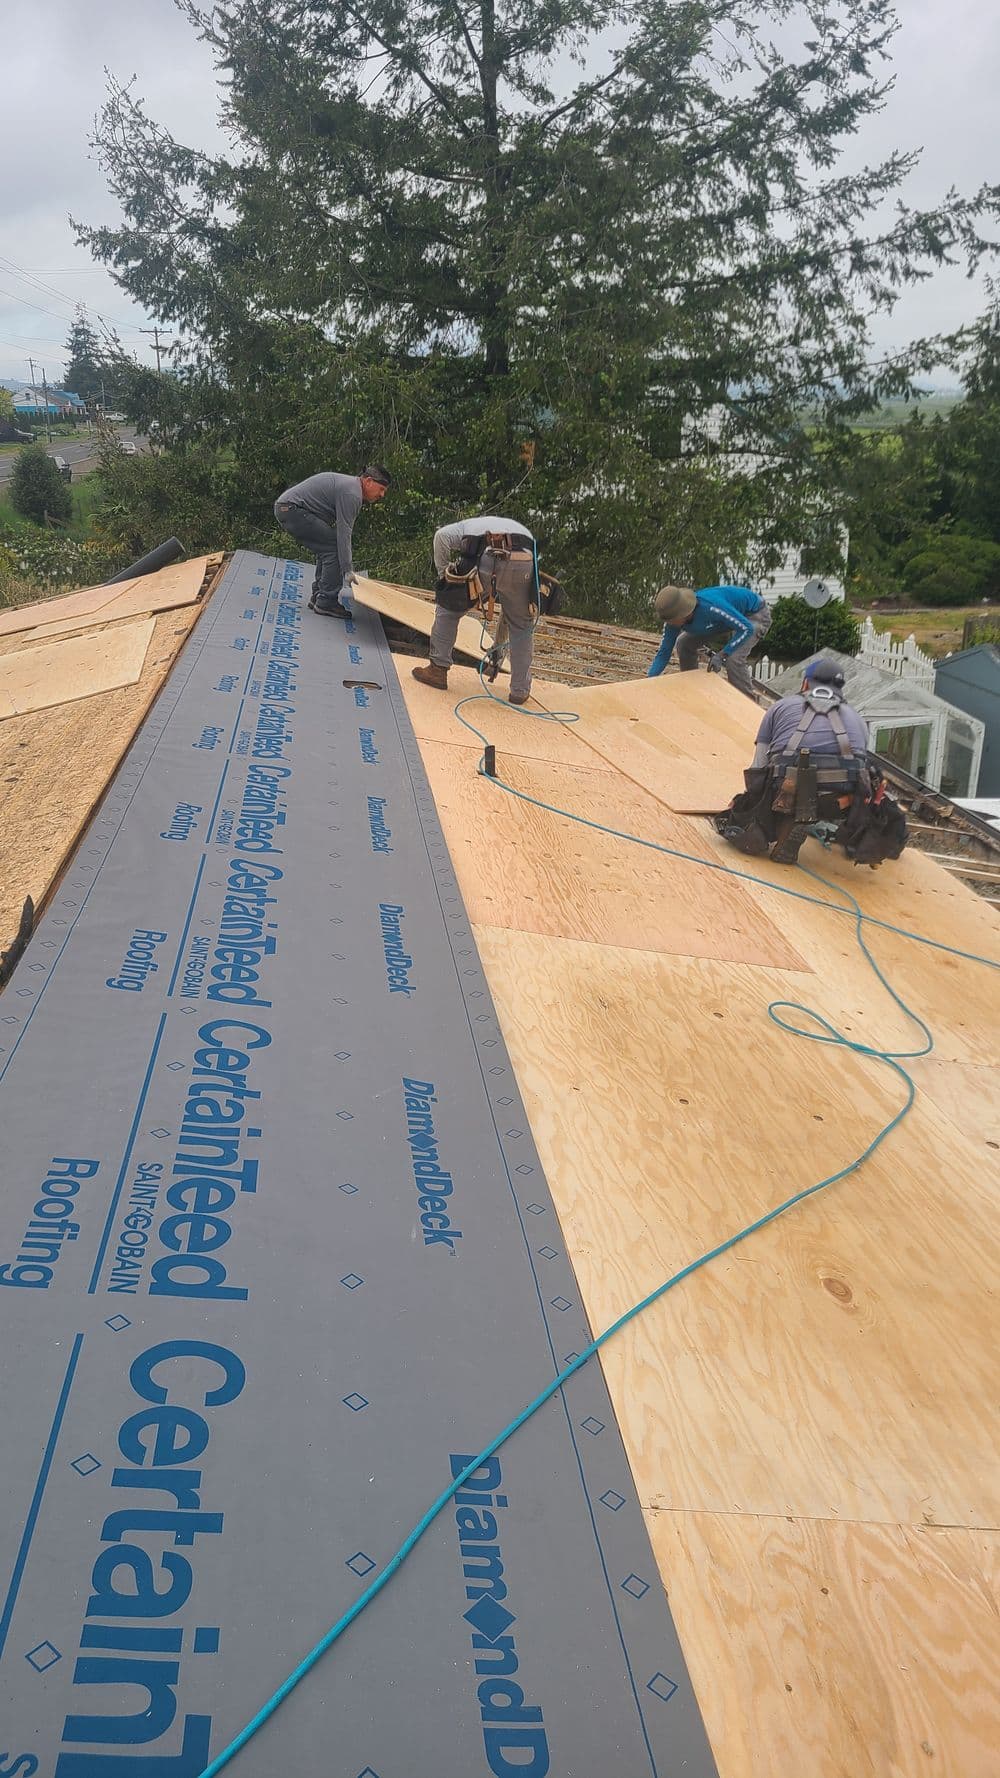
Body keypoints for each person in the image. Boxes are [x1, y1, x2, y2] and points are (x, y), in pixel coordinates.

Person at [716, 658, 906, 866]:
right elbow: (861, 766)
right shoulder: (857, 719)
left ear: (806, 683)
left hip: (786, 792)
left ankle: (773, 826)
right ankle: (829, 828)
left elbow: (758, 766)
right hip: (839, 802)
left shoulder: (780, 707)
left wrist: (748, 802)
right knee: (847, 788)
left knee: (767, 792)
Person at [412, 516, 542, 705]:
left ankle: (438, 670)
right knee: (521, 625)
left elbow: (441, 537)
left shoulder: (463, 527)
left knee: (448, 609)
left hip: (489, 559)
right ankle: (520, 691)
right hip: (524, 564)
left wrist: (443, 576)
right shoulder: (516, 528)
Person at [274, 465, 391, 617]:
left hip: (289, 508)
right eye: (381, 489)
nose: (382, 495)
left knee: (327, 547)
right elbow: (344, 534)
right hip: (292, 509)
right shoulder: (352, 494)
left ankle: (319, 595)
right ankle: (326, 601)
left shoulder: (351, 488)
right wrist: (347, 569)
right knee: (334, 548)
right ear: (368, 481)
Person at [647, 582, 772, 698]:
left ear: (683, 614)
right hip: (723, 621)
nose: (670, 624)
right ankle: (692, 688)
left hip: (753, 615)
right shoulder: (672, 622)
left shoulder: (711, 606)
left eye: (672, 620)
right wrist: (648, 681)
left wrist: (722, 655)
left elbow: (746, 629)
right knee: (683, 643)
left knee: (733, 659)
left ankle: (746, 702)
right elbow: (664, 653)